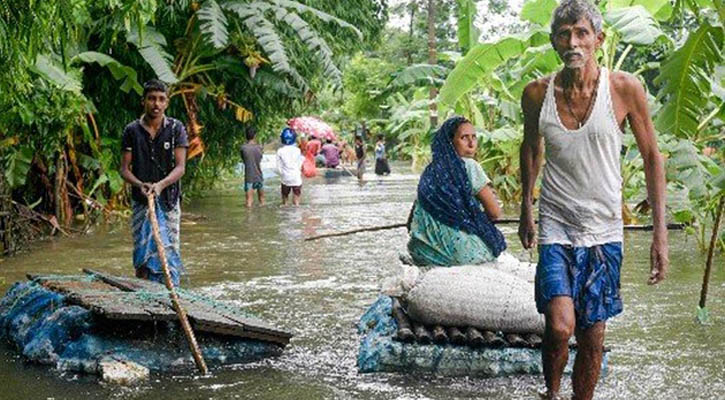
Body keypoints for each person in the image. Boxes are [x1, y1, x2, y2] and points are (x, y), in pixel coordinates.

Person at [518, 2, 669, 399]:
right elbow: (530, 148)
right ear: (554, 41)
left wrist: (660, 237)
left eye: (582, 33)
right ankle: (552, 393)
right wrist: (525, 210)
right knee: (560, 326)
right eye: (564, 34)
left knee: (593, 337)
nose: (573, 42)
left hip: (604, 228)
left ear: (598, 40)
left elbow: (653, 156)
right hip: (556, 223)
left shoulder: (623, 89)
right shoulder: (537, 94)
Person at [406, 116, 505, 266]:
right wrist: (475, 221)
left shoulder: (429, 171)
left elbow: (410, 222)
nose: (471, 144)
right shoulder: (470, 166)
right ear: (450, 142)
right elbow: (495, 213)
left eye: (474, 137)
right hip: (460, 255)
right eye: (464, 138)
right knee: (493, 245)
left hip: (420, 251)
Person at [120, 79, 188, 286]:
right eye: (151, 99)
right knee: (142, 251)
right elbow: (124, 169)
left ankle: (170, 291)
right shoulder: (131, 130)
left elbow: (180, 167)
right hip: (141, 200)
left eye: (161, 99)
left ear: (166, 103)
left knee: (170, 249)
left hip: (168, 200)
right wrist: (140, 184)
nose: (156, 104)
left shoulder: (176, 128)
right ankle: (143, 293)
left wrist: (161, 185)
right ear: (144, 102)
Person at [276, 128, 303, 206]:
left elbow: (278, 167)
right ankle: (296, 216)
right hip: (296, 178)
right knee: (296, 203)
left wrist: (283, 174)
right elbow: (299, 165)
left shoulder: (280, 151)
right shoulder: (298, 150)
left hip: (285, 178)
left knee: (285, 203)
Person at [240, 127, 265, 207]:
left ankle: (249, 218)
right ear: (255, 136)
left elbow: (243, 159)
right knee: (262, 201)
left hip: (249, 177)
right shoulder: (260, 147)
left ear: (246, 136)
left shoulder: (243, 148)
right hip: (259, 176)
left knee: (249, 202)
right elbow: (260, 159)